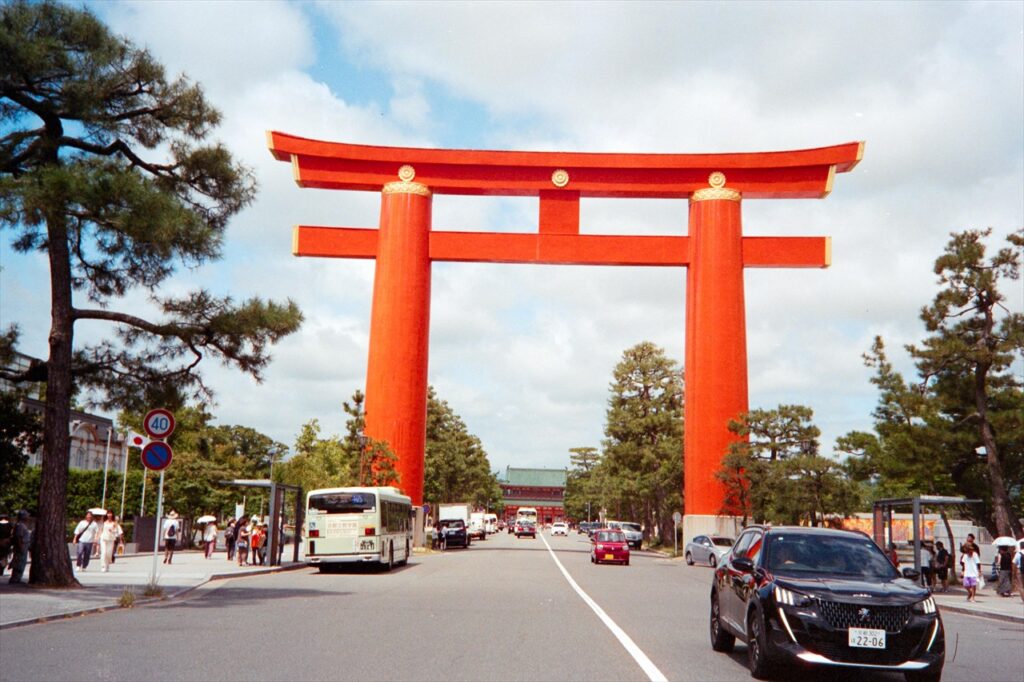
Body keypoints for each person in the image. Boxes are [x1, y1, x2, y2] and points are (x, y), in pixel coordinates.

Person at [8, 511, 31, 584]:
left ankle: (17, 578)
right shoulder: (20, 526)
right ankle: (15, 579)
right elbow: (18, 537)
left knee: (21, 562)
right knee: (19, 563)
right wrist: (20, 546)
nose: (28, 517)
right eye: (26, 516)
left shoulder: (22, 525)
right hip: (21, 546)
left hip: (24, 546)